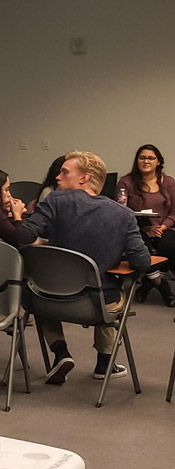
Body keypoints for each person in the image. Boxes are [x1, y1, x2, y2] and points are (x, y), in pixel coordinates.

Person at [21, 151, 156, 384]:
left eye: (64, 172)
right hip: (96, 305)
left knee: (36, 288)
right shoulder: (123, 215)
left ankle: (60, 352)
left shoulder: (53, 201)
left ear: (84, 178)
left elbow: (24, 235)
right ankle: (104, 362)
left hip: (48, 300)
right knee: (115, 287)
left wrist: (16, 218)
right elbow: (142, 262)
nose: (57, 177)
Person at [116, 144, 175, 306]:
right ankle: (163, 288)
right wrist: (144, 228)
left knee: (171, 247)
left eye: (151, 158)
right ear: (137, 161)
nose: (146, 161)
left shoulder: (169, 183)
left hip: (163, 228)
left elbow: (174, 212)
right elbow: (121, 210)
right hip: (136, 228)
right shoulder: (125, 182)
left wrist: (163, 227)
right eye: (142, 158)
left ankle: (149, 282)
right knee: (141, 252)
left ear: (158, 162)